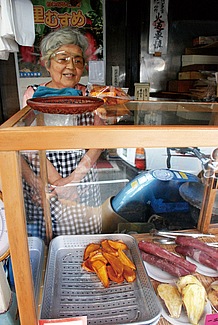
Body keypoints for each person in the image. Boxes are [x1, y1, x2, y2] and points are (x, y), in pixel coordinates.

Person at [22, 27, 104, 240]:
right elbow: (29, 145)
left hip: (81, 174)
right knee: (47, 239)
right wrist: (59, 182)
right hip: (44, 174)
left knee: (84, 239)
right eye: (63, 59)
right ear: (47, 63)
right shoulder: (33, 93)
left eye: (78, 60)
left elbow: (100, 140)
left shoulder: (90, 94)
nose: (71, 66)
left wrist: (74, 180)